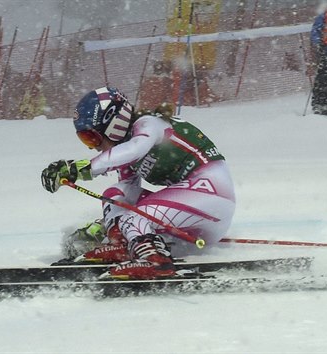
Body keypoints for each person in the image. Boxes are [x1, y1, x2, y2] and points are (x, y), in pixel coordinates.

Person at [41, 87, 235, 279]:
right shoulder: (125, 150)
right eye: (86, 140)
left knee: (134, 217)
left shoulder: (149, 124)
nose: (94, 147)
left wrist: (81, 169)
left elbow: (134, 149)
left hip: (213, 195)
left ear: (114, 122)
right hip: (193, 216)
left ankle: (156, 262)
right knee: (114, 193)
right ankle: (123, 246)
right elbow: (126, 193)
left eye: (92, 137)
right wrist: (106, 227)